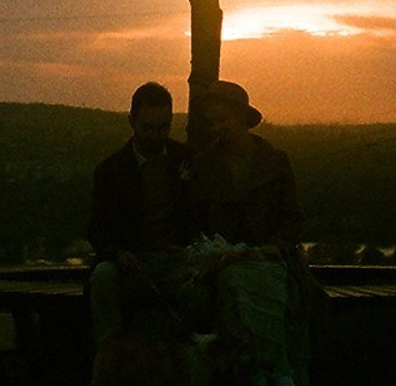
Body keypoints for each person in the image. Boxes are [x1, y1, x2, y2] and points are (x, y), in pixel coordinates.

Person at [190, 81, 310, 386]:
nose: (218, 127)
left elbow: (293, 218)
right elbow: (197, 222)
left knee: (281, 294)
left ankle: (274, 368)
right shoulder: (204, 165)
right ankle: (264, 370)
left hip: (270, 258)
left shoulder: (276, 161)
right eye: (213, 121)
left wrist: (278, 246)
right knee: (234, 285)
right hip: (227, 262)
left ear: (243, 119)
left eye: (224, 119)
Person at [87, 81, 194, 348]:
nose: (157, 136)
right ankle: (109, 355)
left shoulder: (188, 160)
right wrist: (118, 253)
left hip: (179, 259)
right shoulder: (111, 170)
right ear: (131, 121)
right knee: (103, 277)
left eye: (163, 128)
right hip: (133, 261)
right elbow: (98, 229)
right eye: (148, 128)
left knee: (200, 294)